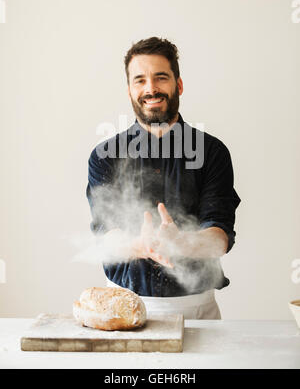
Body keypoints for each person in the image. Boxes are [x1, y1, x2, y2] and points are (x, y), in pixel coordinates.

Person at [86, 37, 241, 319]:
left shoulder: (212, 152)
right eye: (140, 80)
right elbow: (105, 239)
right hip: (120, 306)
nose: (151, 88)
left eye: (160, 77)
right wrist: (141, 245)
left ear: (178, 85)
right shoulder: (104, 156)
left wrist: (180, 243)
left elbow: (219, 238)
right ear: (130, 90)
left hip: (195, 310)